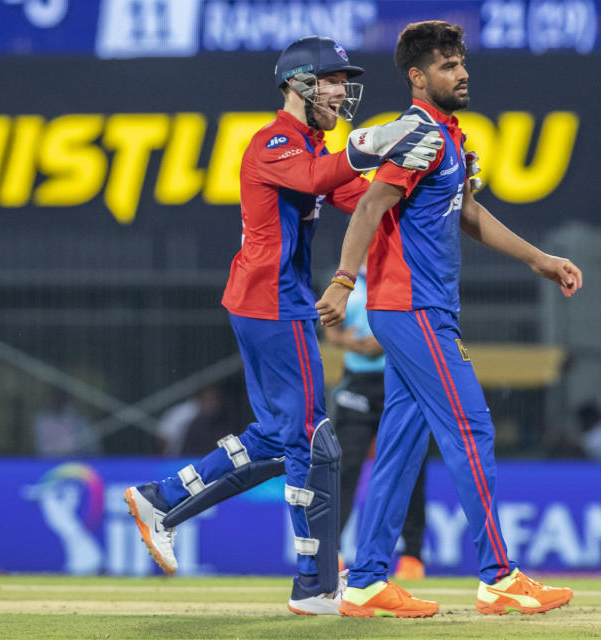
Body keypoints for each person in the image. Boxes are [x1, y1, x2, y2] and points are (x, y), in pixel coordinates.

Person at [123, 36, 443, 615]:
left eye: (345, 82)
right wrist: (373, 142)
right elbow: (319, 179)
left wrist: (435, 181)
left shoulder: (312, 146)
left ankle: (160, 499)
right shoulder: (275, 140)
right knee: (314, 440)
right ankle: (315, 585)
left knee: (278, 437)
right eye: (332, 81)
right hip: (272, 301)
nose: (342, 91)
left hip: (271, 301)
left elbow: (368, 200)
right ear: (298, 84)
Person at [315, 21, 582, 618]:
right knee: (471, 428)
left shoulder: (447, 137)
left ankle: (364, 581)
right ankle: (499, 576)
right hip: (415, 311)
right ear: (418, 76)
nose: (462, 73)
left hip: (414, 312)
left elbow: (466, 211)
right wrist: (342, 280)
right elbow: (370, 205)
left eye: (461, 62)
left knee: (403, 446)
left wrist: (540, 260)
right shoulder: (421, 135)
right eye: (447, 65)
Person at [324, 260, 428, 580]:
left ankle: (412, 556)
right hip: (357, 384)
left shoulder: (405, 275)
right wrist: (350, 343)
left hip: (398, 380)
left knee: (408, 467)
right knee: (343, 467)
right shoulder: (347, 280)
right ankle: (332, 552)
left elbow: (422, 322)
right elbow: (329, 327)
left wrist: (383, 341)